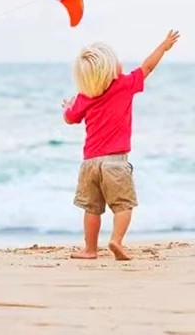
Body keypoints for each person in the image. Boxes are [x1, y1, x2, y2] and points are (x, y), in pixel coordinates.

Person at [61, 30, 180, 260]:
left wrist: (68, 106)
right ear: (110, 69)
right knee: (123, 206)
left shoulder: (85, 95)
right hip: (116, 162)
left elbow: (70, 118)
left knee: (91, 209)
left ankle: (90, 250)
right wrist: (163, 46)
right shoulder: (124, 84)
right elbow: (147, 67)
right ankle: (116, 240)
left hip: (90, 164)